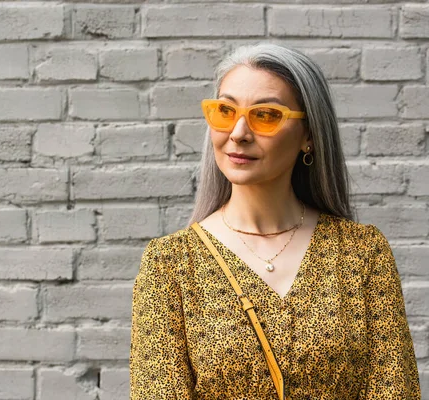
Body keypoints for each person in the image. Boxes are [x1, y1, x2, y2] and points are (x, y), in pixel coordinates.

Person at [129, 43, 421, 399]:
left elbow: (396, 391)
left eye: (265, 115)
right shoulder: (171, 264)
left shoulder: (362, 253)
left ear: (309, 135)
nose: (238, 133)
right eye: (225, 110)